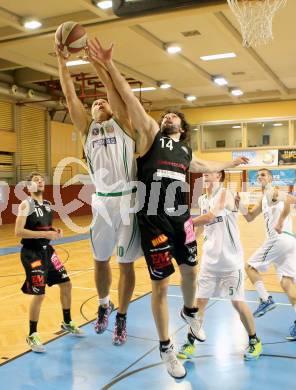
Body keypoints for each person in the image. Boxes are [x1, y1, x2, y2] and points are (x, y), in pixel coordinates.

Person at [86, 38, 249, 378]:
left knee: (191, 271)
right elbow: (128, 100)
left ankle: (190, 311)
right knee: (161, 285)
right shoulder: (149, 134)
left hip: (181, 219)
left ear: (183, 128)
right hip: (153, 221)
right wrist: (108, 66)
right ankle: (166, 349)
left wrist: (233, 162)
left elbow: (206, 164)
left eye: (173, 115)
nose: (168, 116)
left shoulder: (186, 154)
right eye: (166, 115)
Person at [56, 45, 141, 346]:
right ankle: (104, 303)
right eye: (93, 103)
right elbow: (69, 97)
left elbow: (114, 92)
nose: (98, 102)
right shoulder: (86, 129)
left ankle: (122, 317)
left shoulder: (124, 125)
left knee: (125, 263)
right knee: (100, 259)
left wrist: (100, 65)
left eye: (102, 101)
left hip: (129, 200)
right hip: (103, 201)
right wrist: (61, 61)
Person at [177, 171, 262, 361]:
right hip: (209, 263)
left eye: (213, 171)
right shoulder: (201, 199)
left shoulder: (226, 194)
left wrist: (183, 223)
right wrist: (186, 240)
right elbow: (202, 227)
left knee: (238, 303)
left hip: (231, 262)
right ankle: (190, 343)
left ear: (219, 176)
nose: (207, 172)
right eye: (206, 170)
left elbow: (209, 217)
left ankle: (255, 340)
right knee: (198, 304)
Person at [15, 172, 83, 353]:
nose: (40, 182)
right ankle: (32, 335)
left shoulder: (47, 205)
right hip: (32, 254)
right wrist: (46, 234)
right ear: (29, 187)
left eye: (41, 180)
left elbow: (44, 228)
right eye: (35, 180)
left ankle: (67, 322)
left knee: (66, 284)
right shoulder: (25, 205)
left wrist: (54, 230)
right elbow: (18, 231)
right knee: (40, 294)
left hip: (47, 251)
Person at [239, 168, 296, 340]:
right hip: (290, 241)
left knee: (249, 266)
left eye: (263, 175)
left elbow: (291, 199)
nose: (260, 177)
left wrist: (279, 221)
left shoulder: (272, 191)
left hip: (279, 238)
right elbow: (249, 218)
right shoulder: (264, 198)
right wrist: (239, 204)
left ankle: (265, 299)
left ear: (270, 178)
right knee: (286, 283)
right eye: (258, 176)